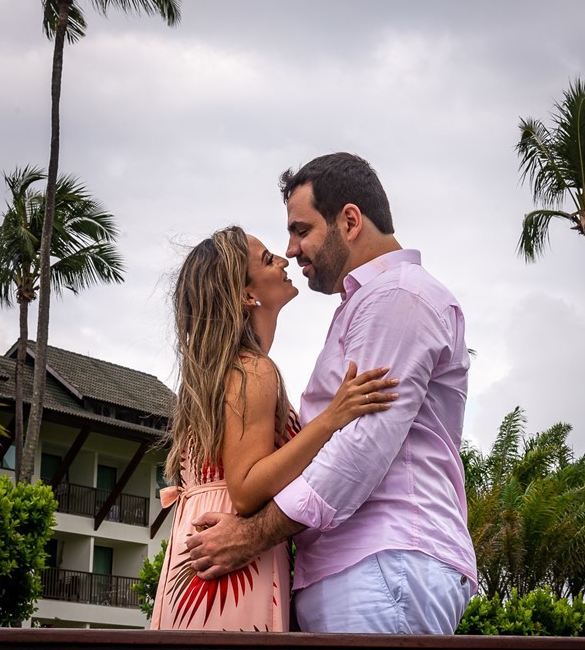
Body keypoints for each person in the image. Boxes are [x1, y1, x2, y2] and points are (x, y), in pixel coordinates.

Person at [185, 153, 477, 634]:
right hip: (363, 569)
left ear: (349, 220)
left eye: (301, 230)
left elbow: (359, 449)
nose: (292, 248)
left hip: (383, 562)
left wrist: (253, 536)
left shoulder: (396, 297)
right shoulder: (367, 304)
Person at [149, 226, 398, 632]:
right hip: (231, 568)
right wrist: (332, 419)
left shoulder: (220, 374)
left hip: (203, 559)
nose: (284, 261)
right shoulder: (252, 370)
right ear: (247, 295)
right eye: (267, 260)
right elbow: (246, 490)